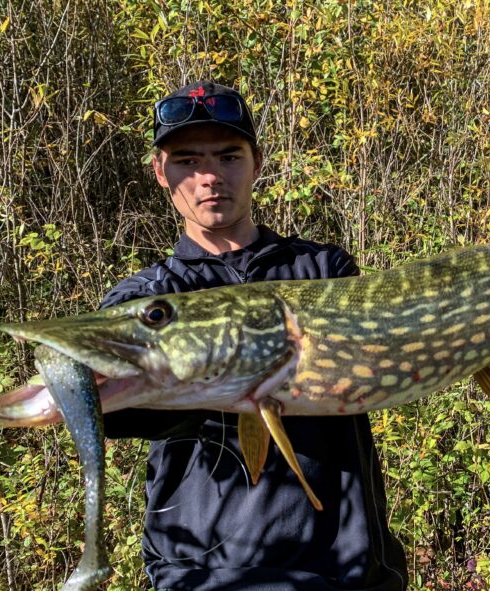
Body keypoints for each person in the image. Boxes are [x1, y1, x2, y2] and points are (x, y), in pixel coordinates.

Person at [100, 81, 408, 591]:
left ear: (257, 163)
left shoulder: (323, 269)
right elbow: (117, 408)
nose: (209, 178)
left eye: (228, 156)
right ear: (161, 172)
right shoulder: (149, 298)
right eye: (186, 161)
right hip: (204, 575)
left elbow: (382, 363)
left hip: (345, 567)